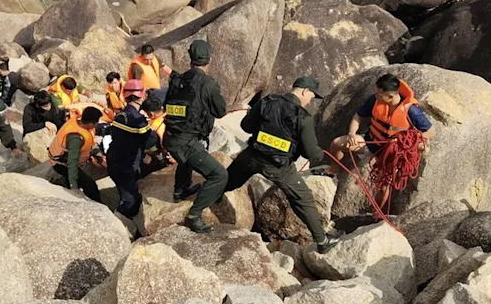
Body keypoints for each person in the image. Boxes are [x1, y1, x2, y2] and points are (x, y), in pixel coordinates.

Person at [224, 76, 341, 252]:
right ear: (304, 91)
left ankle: (202, 202)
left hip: (252, 156)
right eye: (311, 96)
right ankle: (323, 241)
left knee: (226, 180)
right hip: (279, 167)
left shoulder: (267, 101)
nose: (310, 101)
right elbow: (310, 153)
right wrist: (320, 152)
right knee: (303, 200)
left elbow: (246, 126)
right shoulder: (304, 117)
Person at [328, 73, 435, 206]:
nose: (376, 95)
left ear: (390, 96)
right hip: (370, 141)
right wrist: (351, 133)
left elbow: (430, 132)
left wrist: (404, 141)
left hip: (389, 154)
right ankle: (333, 171)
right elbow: (358, 116)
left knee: (384, 186)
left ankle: (376, 214)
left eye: (379, 94)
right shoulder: (375, 100)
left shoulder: (412, 111)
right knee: (336, 144)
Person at [163, 39, 227, 233]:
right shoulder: (207, 84)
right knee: (219, 175)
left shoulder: (177, 80)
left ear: (189, 58)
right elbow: (220, 111)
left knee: (188, 157)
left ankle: (180, 190)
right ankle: (194, 214)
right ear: (210, 60)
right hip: (186, 143)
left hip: (170, 137)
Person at [106, 79, 159, 222]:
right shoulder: (138, 120)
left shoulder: (121, 115)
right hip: (126, 166)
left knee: (127, 192)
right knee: (131, 203)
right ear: (142, 95)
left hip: (115, 161)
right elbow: (150, 141)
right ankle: (115, 221)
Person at [47, 105, 103, 202]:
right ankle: (98, 205)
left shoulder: (78, 121)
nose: (97, 124)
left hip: (66, 157)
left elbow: (91, 141)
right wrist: (74, 186)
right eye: (96, 122)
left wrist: (97, 153)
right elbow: (71, 163)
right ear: (90, 123)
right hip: (60, 163)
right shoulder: (75, 138)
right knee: (90, 185)